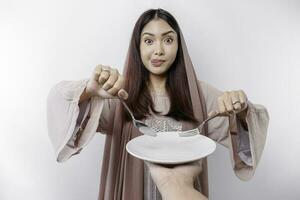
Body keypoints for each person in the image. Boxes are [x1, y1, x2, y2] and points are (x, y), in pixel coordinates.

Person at [47, 8, 269, 200]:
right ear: (137, 47)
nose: (159, 50)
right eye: (149, 40)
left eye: (168, 39)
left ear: (179, 46)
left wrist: (241, 110)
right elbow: (59, 100)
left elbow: (246, 137)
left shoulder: (201, 95)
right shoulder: (118, 96)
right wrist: (89, 91)